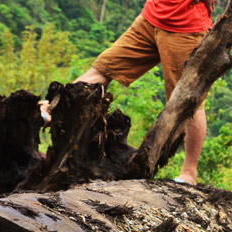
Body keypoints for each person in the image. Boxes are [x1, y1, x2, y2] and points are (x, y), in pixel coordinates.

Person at [41, 0, 215, 185]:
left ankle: (188, 174)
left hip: (185, 28)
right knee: (104, 68)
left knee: (189, 101)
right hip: (151, 17)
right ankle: (51, 108)